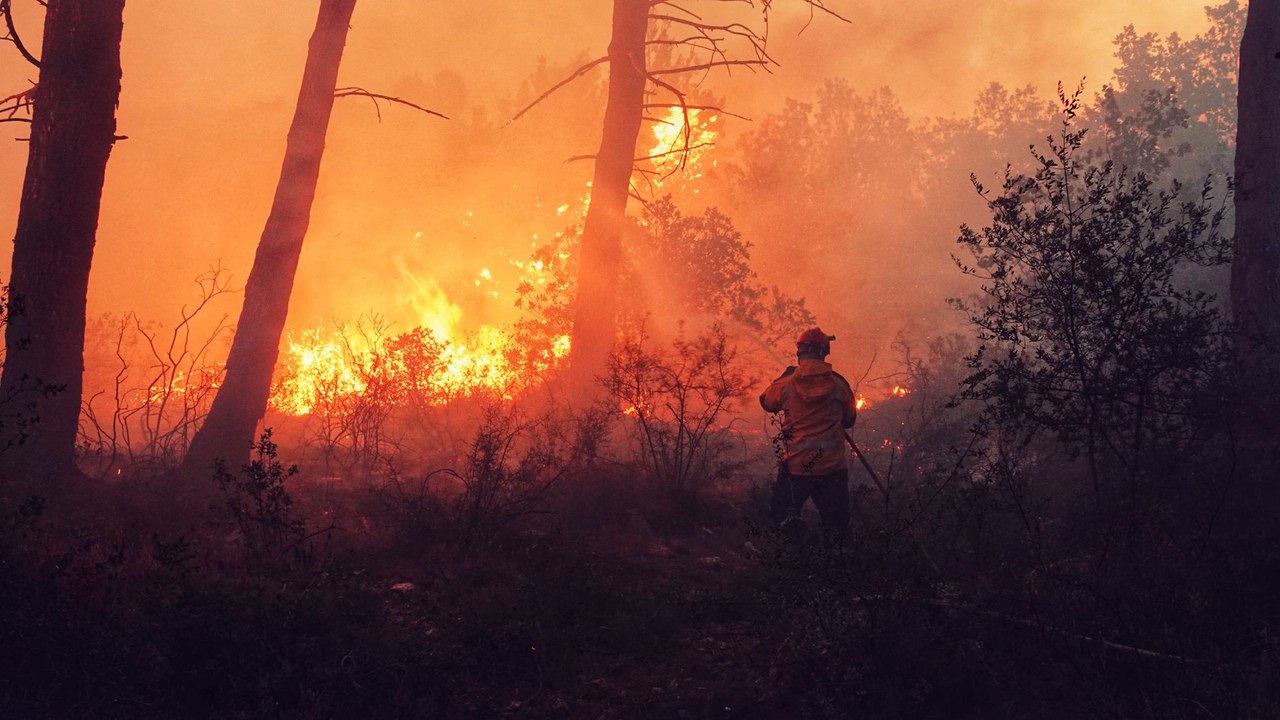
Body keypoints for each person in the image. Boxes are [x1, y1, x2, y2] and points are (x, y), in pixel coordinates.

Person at [759, 327, 857, 544]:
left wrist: (782, 378)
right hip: (832, 470)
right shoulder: (839, 385)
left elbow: (766, 402)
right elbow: (849, 420)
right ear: (824, 353)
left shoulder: (787, 383)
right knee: (838, 530)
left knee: (781, 519)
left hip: (797, 468)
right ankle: (838, 568)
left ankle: (792, 557)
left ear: (800, 352)